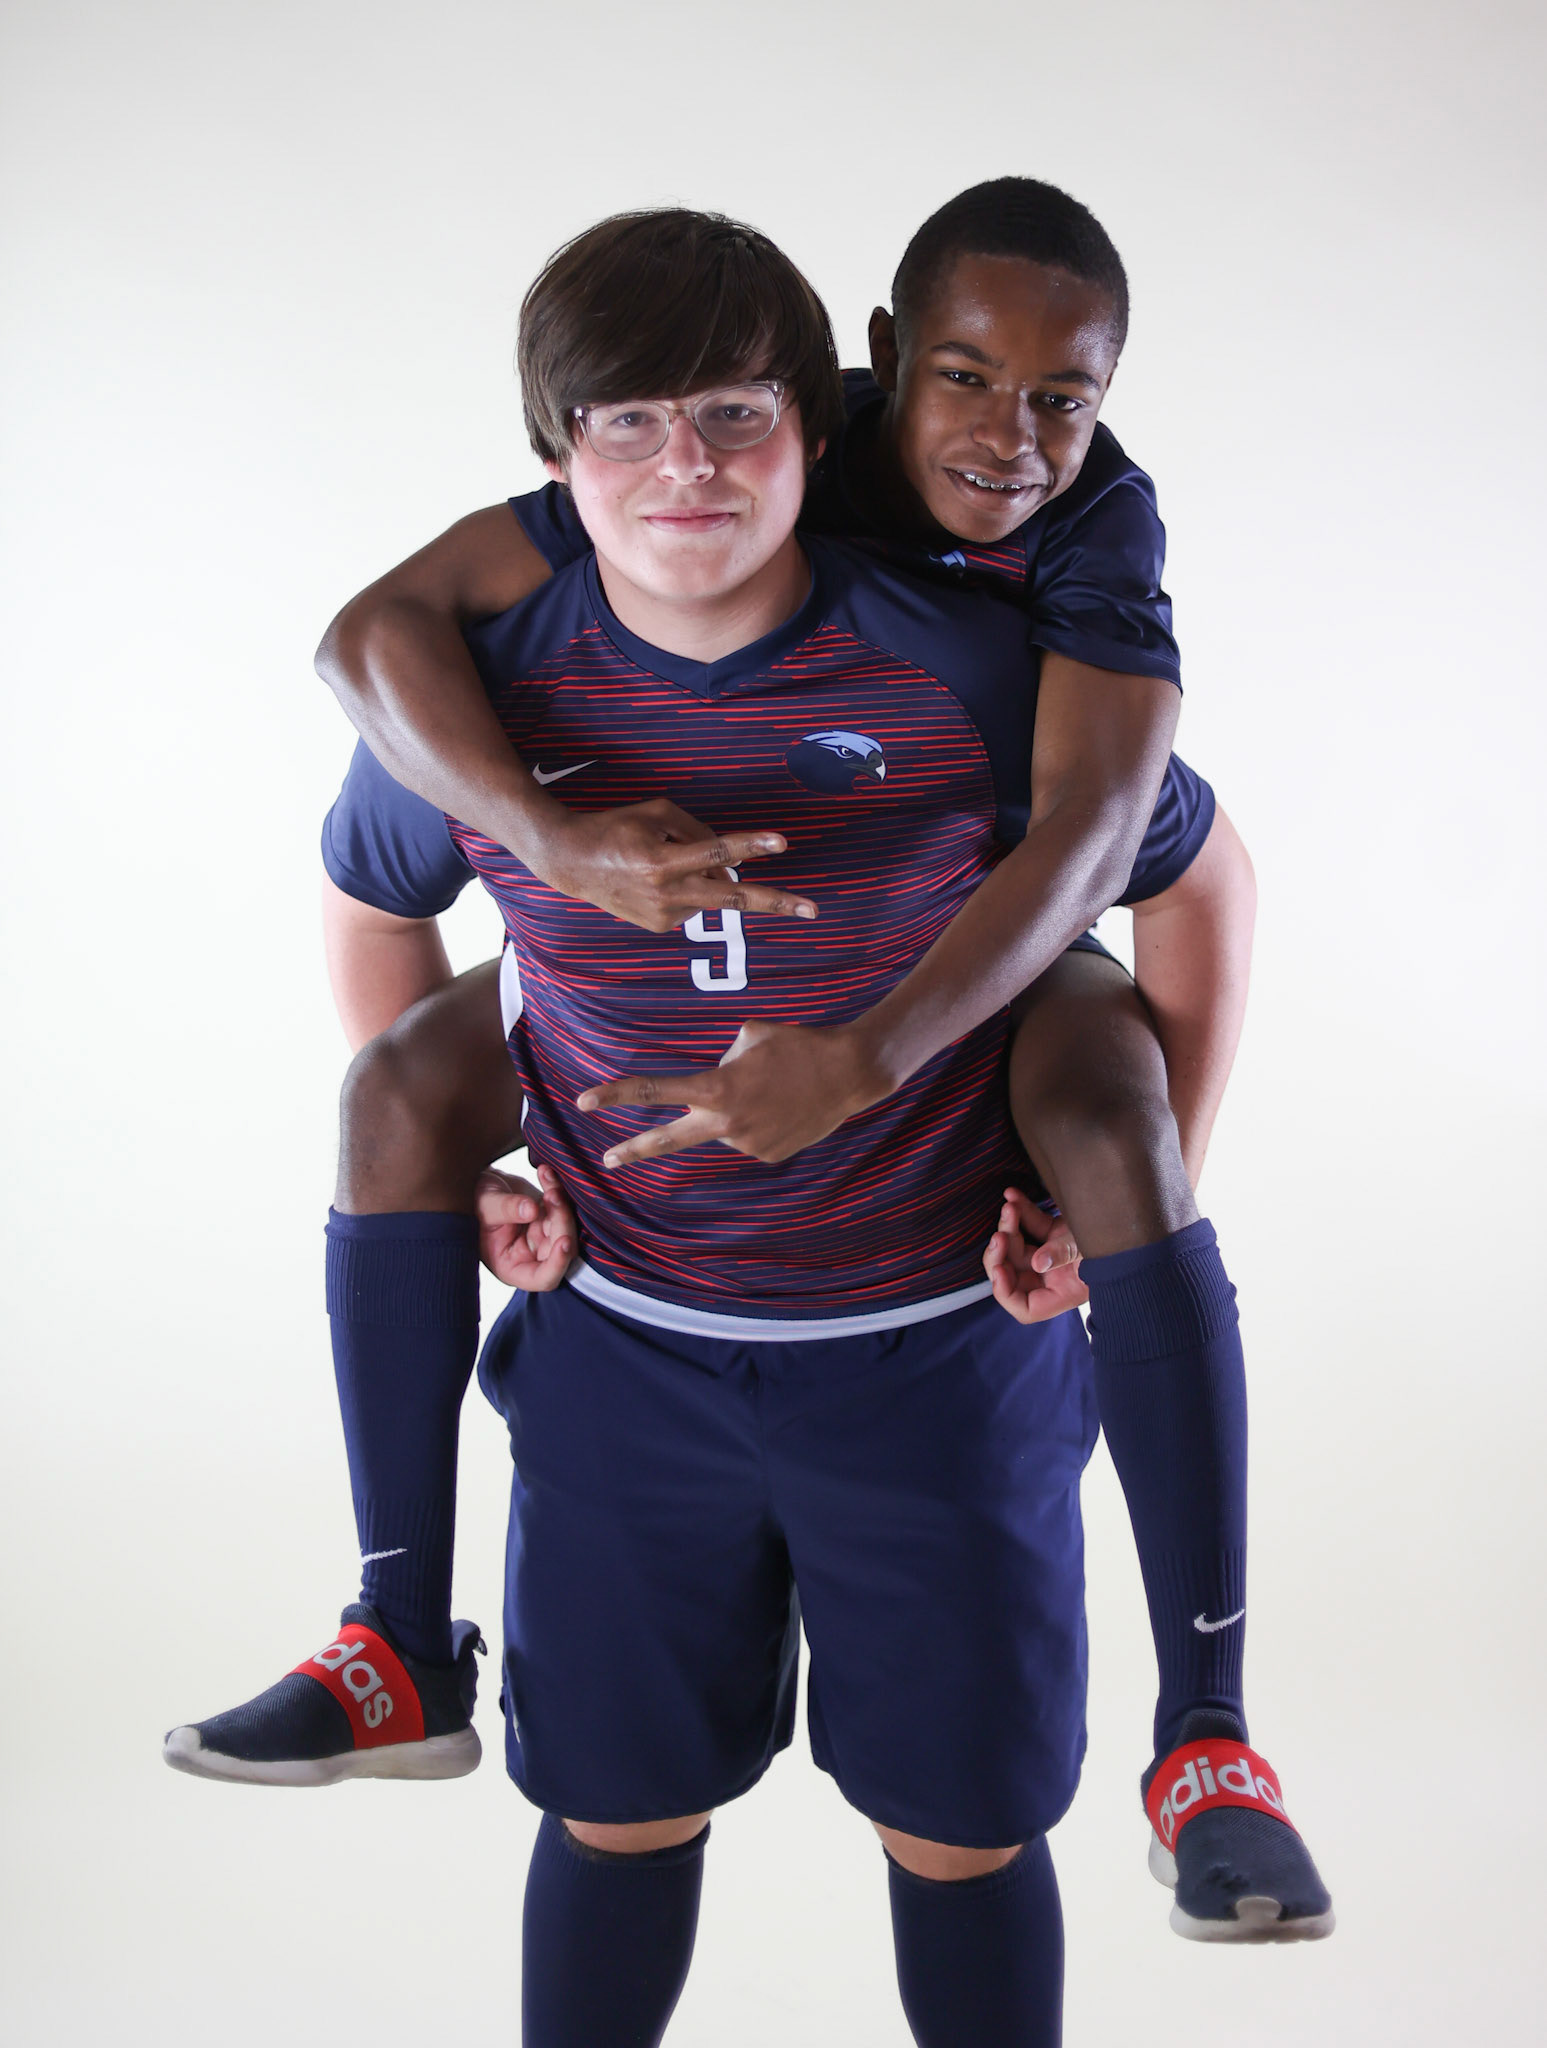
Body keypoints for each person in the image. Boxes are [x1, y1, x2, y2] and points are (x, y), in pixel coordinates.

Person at [166, 199, 1331, 1963]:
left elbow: (1176, 860)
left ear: (810, 420)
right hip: (634, 1349)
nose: (683, 464)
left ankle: (1213, 1732)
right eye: (628, 424)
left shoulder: (987, 655)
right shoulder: (496, 686)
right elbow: (367, 866)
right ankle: (401, 1631)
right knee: (616, 1812)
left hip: (930, 1345)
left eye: (730, 415)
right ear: (560, 462)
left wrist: (1046, 1168)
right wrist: (482, 1135)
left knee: (960, 1833)